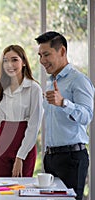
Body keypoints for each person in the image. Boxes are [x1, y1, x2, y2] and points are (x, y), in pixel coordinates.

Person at [35, 31, 94, 200]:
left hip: (72, 159)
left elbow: (87, 116)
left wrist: (64, 103)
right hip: (51, 158)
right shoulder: (50, 82)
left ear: (62, 51)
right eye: (40, 55)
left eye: (46, 55)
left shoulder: (79, 80)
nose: (42, 61)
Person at [0, 45, 43, 177]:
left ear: (24, 63)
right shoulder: (1, 88)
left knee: (21, 191)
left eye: (14, 59)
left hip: (24, 144)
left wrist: (20, 157)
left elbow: (34, 126)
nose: (9, 64)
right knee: (3, 191)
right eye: (5, 60)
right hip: (2, 144)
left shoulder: (34, 88)